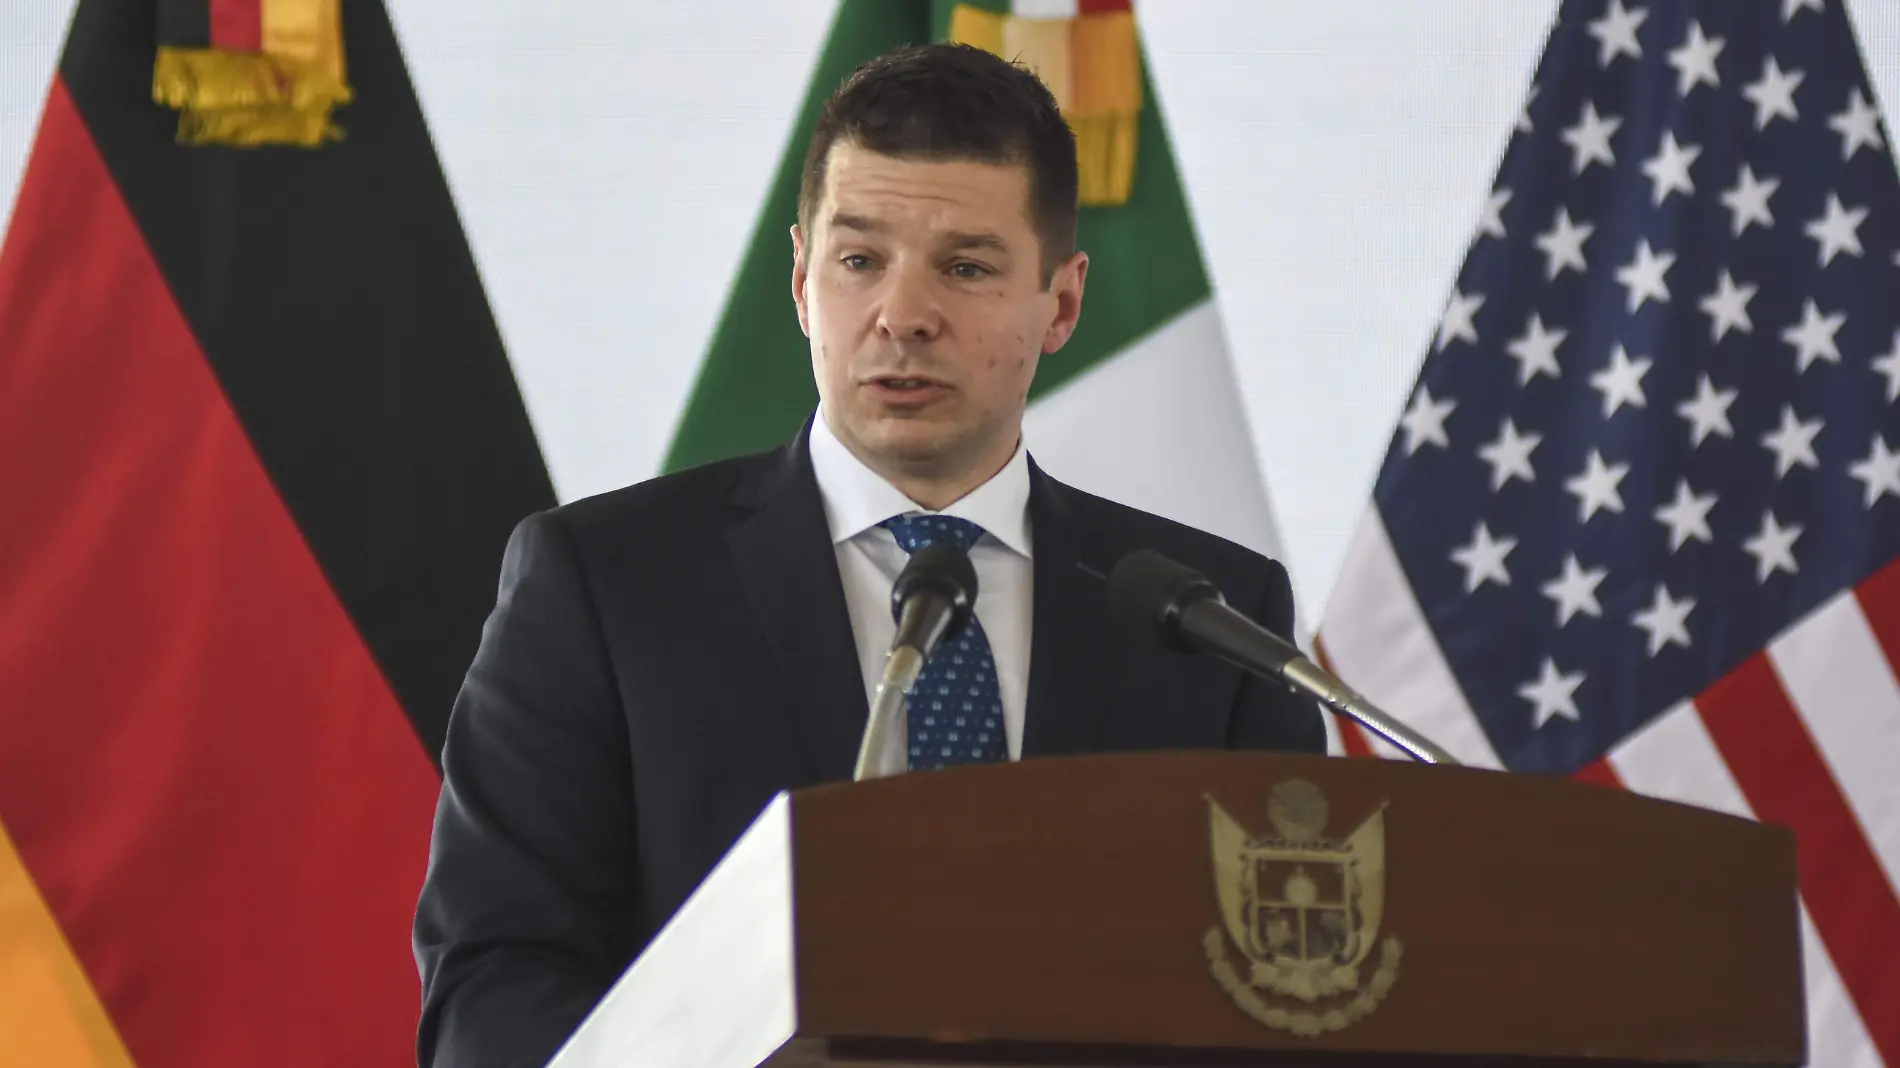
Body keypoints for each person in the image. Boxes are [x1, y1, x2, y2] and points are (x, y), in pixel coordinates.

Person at [411, 40, 1325, 1068]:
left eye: (966, 268)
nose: (903, 316)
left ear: (1062, 304)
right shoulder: (605, 586)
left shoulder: (1209, 618)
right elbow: (492, 989)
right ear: (802, 281)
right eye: (859, 262)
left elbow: (1287, 993)